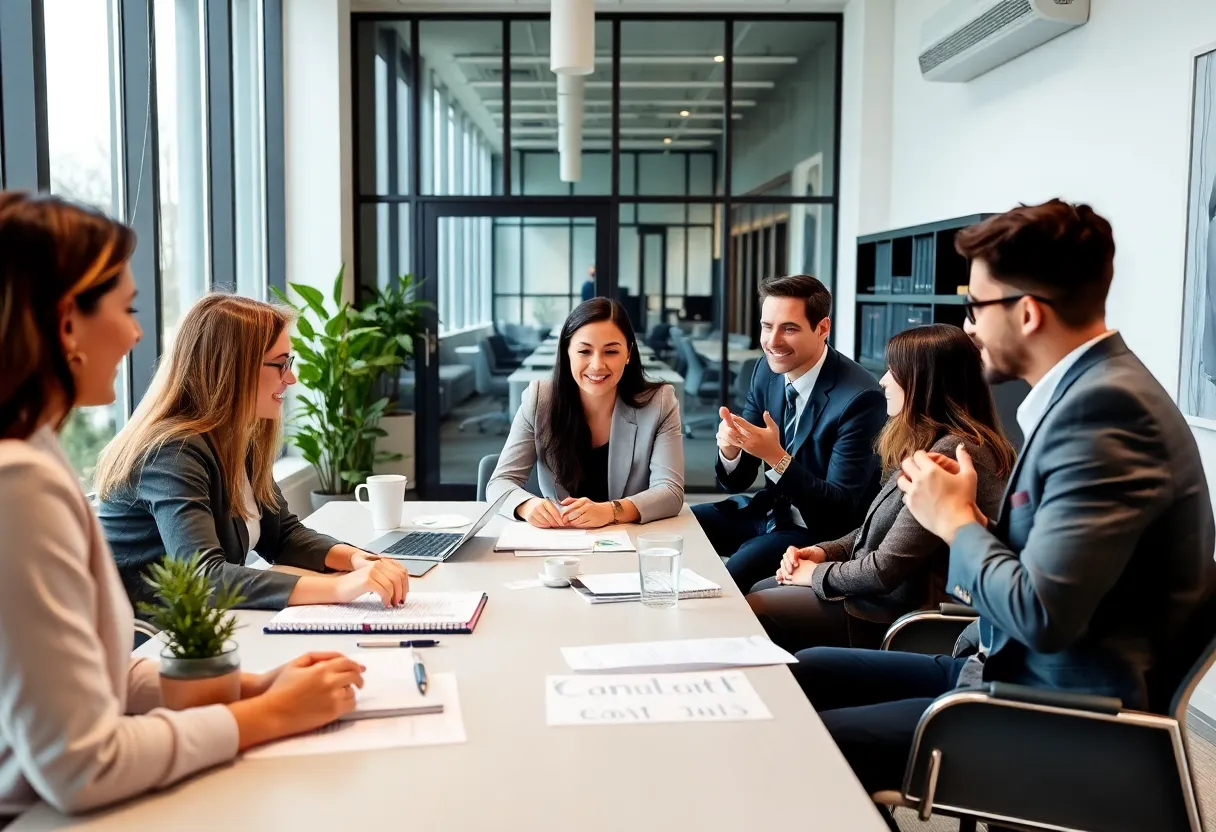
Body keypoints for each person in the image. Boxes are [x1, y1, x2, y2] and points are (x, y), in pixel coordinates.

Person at [793, 199, 1216, 799]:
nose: (967, 326)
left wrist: (957, 521)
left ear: (1026, 313)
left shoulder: (1105, 416)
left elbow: (1043, 614)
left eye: (975, 306)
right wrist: (967, 515)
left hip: (1047, 712)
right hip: (994, 667)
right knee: (799, 673)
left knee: (804, 747)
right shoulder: (1087, 396)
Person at [0, 191, 366, 818]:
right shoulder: (20, 482)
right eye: (127, 308)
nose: (137, 333)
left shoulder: (38, 452)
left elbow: (102, 675)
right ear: (67, 323)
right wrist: (268, 714)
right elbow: (81, 766)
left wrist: (245, 688)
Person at [95, 294, 410, 612]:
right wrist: (340, 587)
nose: (291, 378)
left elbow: (282, 536)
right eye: (281, 364)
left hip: (203, 630)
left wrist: (358, 560)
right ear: (232, 368)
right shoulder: (171, 454)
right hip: (148, 645)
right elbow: (205, 578)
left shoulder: (236, 437)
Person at [746, 324, 1014, 652]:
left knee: (756, 608)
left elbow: (884, 570)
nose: (883, 380)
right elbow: (880, 527)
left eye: (893, 371)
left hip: (894, 614)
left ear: (925, 382)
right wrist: (825, 551)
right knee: (762, 587)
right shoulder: (932, 442)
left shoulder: (951, 454)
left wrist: (815, 573)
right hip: (877, 597)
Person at [692, 274, 888, 591]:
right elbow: (737, 479)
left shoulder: (860, 399)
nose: (773, 341)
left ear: (822, 328)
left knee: (739, 568)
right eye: (767, 326)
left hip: (818, 531)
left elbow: (838, 510)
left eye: (789, 328)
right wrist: (731, 451)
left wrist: (776, 457)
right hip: (770, 509)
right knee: (686, 528)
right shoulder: (765, 371)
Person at [487, 297, 684, 528]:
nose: (597, 365)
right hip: (559, 544)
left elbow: (670, 492)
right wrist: (527, 505)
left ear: (629, 353)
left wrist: (611, 511)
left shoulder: (659, 403)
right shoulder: (540, 399)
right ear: (567, 351)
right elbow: (500, 482)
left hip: (627, 541)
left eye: (610, 351)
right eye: (584, 351)